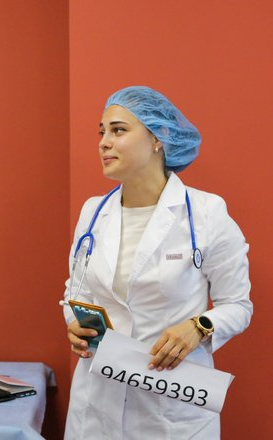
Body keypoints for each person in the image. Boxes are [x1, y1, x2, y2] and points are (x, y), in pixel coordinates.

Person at [61, 86, 252, 439]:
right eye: (101, 132)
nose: (104, 143)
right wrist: (76, 324)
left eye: (118, 130)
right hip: (96, 402)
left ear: (158, 138)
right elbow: (76, 290)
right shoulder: (93, 212)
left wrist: (199, 326)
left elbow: (238, 305)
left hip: (171, 408)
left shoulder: (206, 213)